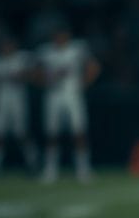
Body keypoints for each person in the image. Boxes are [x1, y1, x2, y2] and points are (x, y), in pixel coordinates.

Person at [36, 25, 101, 182]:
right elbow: (34, 72)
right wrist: (47, 80)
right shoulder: (46, 51)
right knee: (52, 133)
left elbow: (94, 66)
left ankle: (83, 169)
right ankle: (50, 170)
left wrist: (84, 83)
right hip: (53, 95)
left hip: (72, 95)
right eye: (57, 36)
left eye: (63, 36)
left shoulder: (77, 49)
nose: (60, 39)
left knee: (79, 131)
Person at [0, 33, 38, 177]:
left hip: (18, 102)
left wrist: (24, 75)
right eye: (2, 45)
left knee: (22, 134)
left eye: (8, 44)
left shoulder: (22, 58)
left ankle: (33, 164)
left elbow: (38, 71)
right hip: (0, 102)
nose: (5, 47)